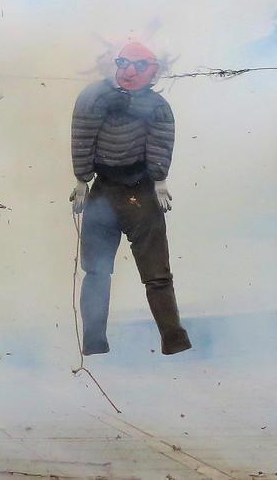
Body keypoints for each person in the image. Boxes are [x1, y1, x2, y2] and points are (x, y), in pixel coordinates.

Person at [70, 41, 191, 356]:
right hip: (103, 191)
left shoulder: (157, 106)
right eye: (123, 63)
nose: (129, 72)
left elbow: (161, 141)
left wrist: (160, 178)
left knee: (157, 273)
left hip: (142, 189)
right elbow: (82, 135)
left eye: (138, 66)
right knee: (96, 270)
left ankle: (173, 337)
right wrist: (82, 179)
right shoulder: (93, 98)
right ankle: (94, 340)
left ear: (152, 73)